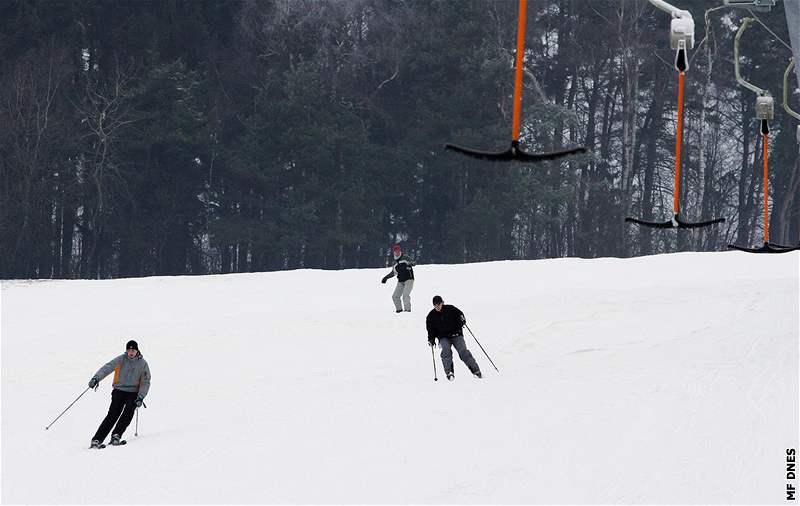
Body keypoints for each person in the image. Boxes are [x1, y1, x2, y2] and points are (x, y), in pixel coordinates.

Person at [88, 340, 151, 448]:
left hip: (133, 393)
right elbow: (107, 367)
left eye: (133, 350)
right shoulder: (121, 359)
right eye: (129, 350)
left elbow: (145, 381)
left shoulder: (143, 364)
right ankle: (97, 440)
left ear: (137, 351)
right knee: (113, 414)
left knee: (128, 412)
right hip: (119, 391)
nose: (131, 352)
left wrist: (140, 397)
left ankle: (116, 435)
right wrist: (96, 378)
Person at [426, 295, 482, 381]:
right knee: (446, 351)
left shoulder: (451, 309)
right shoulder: (431, 316)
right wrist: (431, 339)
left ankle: (476, 370)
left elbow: (460, 315)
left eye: (439, 304)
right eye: (435, 305)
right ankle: (449, 372)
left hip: (456, 335)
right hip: (443, 337)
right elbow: (430, 330)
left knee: (463, 352)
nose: (437, 307)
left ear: (442, 303)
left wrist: (462, 320)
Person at [381, 244, 415, 313]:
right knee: (395, 296)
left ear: (400, 250)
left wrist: (411, 263)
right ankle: (399, 311)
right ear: (394, 252)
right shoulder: (395, 262)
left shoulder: (405, 257)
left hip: (409, 279)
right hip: (401, 281)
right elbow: (393, 272)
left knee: (405, 295)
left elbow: (414, 262)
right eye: (395, 251)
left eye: (398, 250)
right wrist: (386, 278)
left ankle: (407, 311)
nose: (397, 252)